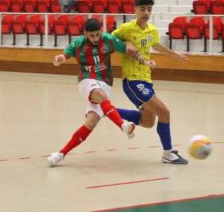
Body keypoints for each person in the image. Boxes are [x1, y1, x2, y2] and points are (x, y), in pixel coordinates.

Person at [47, 18, 150, 166]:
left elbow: (129, 50)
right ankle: (122, 125)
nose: (95, 39)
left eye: (97, 34)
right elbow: (65, 54)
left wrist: (144, 60)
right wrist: (59, 58)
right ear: (85, 34)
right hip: (87, 80)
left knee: (91, 123)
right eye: (92, 35)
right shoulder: (78, 43)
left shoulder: (108, 40)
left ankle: (61, 153)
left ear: (101, 31)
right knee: (100, 95)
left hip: (106, 82)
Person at [111, 0, 188, 164]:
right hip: (132, 80)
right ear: (135, 10)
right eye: (142, 9)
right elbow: (109, 39)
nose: (146, 12)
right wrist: (124, 44)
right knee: (164, 112)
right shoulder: (126, 28)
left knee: (147, 122)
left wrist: (175, 54)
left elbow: (156, 45)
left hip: (146, 79)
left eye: (149, 9)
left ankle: (106, 110)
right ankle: (168, 153)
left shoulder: (151, 30)